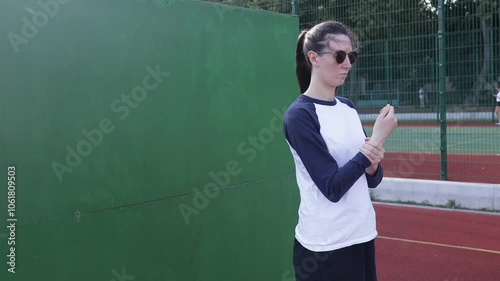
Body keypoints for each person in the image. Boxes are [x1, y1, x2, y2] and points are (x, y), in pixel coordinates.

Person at [283, 21, 397, 281]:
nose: (348, 63)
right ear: (313, 58)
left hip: (362, 233)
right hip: (325, 246)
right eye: (339, 56)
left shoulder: (347, 107)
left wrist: (372, 163)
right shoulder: (299, 116)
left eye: (351, 56)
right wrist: (376, 139)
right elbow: (332, 187)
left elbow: (372, 179)